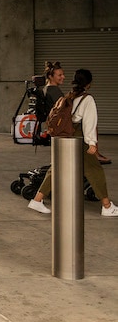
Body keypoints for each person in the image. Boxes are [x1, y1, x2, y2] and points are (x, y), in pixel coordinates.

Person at [28, 69, 118, 216]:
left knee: (57, 168)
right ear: (89, 84)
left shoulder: (69, 96)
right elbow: (89, 123)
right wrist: (92, 143)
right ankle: (107, 206)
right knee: (94, 170)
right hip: (78, 136)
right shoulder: (87, 99)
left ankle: (37, 200)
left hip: (64, 135)